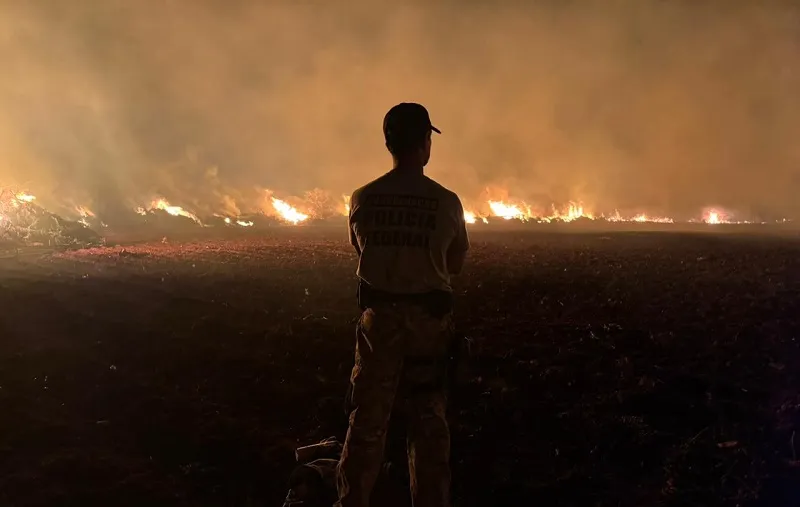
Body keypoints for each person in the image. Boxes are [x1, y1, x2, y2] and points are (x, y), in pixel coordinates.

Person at [336, 103, 470, 507]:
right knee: (428, 428)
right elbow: (455, 262)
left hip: (379, 326)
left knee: (366, 426)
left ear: (388, 143)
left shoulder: (363, 198)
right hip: (428, 329)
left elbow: (360, 251)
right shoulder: (446, 202)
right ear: (425, 144)